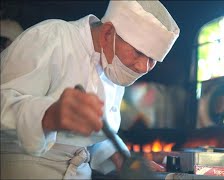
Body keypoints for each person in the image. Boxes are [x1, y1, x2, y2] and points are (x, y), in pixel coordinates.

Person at [0, 0, 180, 179]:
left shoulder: (115, 66)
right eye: (139, 52)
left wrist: (120, 157)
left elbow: (85, 138)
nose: (143, 67)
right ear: (108, 33)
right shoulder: (51, 36)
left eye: (153, 59)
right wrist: (49, 115)